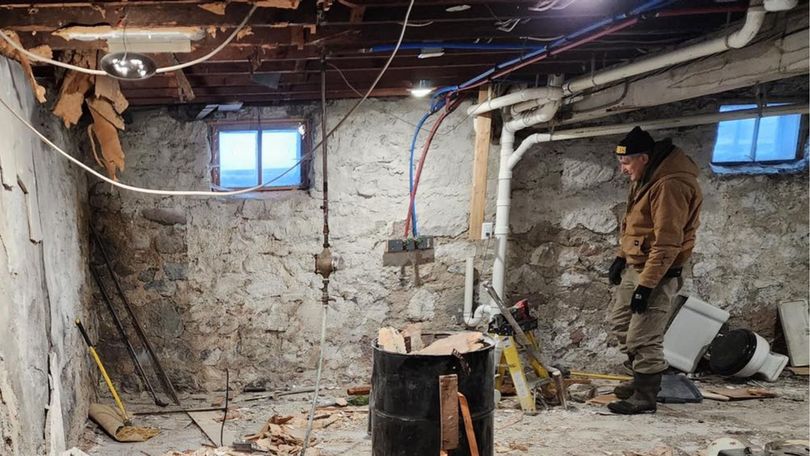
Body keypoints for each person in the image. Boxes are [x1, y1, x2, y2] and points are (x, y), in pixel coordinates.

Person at [606, 126, 703, 415]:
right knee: (620, 323)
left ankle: (645, 396)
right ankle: (639, 380)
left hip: (658, 272)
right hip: (637, 265)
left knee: (643, 336)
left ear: (644, 158)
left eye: (626, 163)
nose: (623, 169)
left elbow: (667, 243)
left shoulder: (670, 184)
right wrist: (621, 256)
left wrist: (647, 287)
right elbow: (635, 222)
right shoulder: (646, 177)